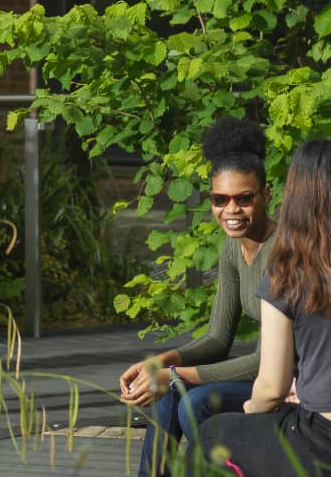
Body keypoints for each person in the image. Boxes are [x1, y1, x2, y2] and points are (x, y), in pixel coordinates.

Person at [197, 139, 331, 475]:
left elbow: (271, 389)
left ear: (295, 195)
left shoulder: (287, 273)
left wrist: (251, 407)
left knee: (212, 435)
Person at [118, 116, 276, 476]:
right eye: (220, 199)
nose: (231, 211)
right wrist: (160, 363)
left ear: (267, 195)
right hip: (264, 372)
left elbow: (265, 361)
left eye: (244, 199)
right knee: (173, 388)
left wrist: (175, 373)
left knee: (196, 398)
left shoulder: (282, 253)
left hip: (290, 379)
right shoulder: (232, 249)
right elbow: (218, 337)